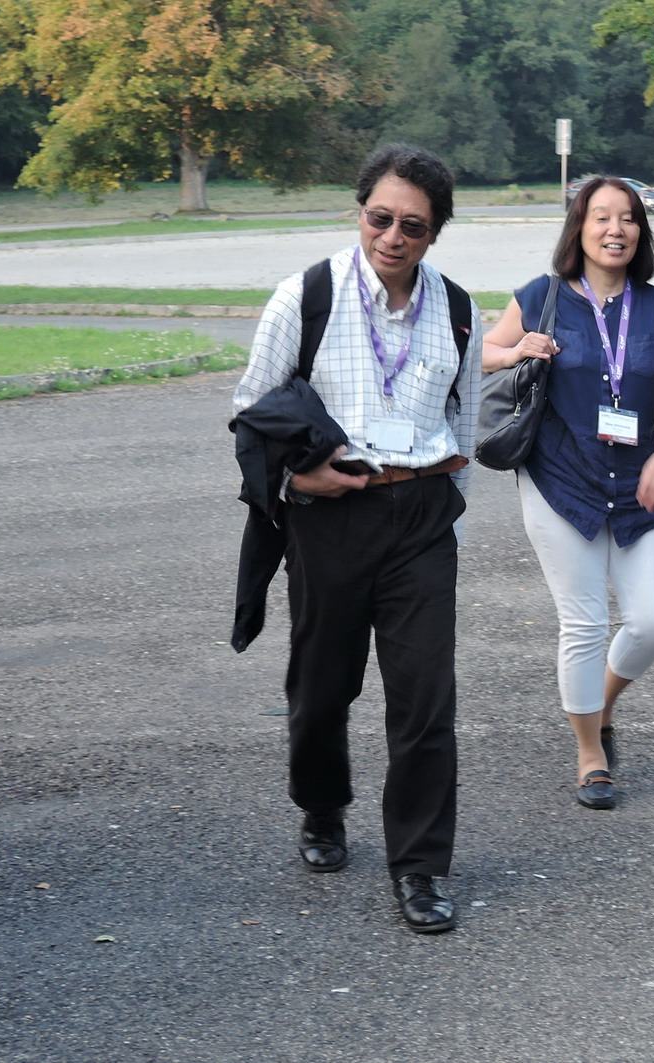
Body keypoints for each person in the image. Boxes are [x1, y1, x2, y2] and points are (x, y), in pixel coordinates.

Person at [231, 144, 481, 933]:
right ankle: (321, 803)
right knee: (320, 688)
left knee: (426, 700)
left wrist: (446, 510)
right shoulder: (304, 296)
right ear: (360, 211)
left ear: (435, 232)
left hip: (422, 517)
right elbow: (250, 410)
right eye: (381, 218)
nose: (393, 237)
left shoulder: (459, 309)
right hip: (330, 517)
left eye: (414, 225)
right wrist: (298, 482)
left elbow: (466, 421)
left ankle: (420, 865)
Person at [482, 175, 654, 810]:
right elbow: (481, 352)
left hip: (638, 484)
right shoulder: (541, 296)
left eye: (627, 218)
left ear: (640, 231)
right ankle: (590, 753)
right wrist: (516, 350)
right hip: (559, 479)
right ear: (579, 228)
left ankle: (598, 706)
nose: (615, 229)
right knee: (585, 622)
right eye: (601, 216)